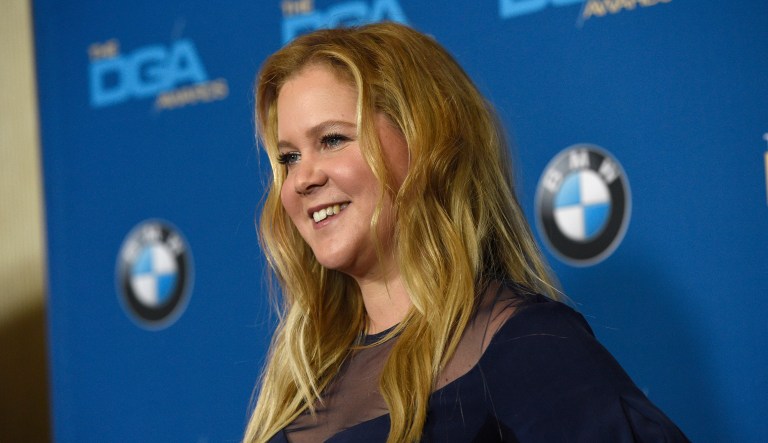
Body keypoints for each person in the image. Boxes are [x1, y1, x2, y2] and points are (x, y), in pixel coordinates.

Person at [245, 22, 688, 443]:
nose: (302, 179)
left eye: (332, 140)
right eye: (288, 158)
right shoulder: (301, 384)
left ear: (424, 143)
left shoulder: (529, 347)